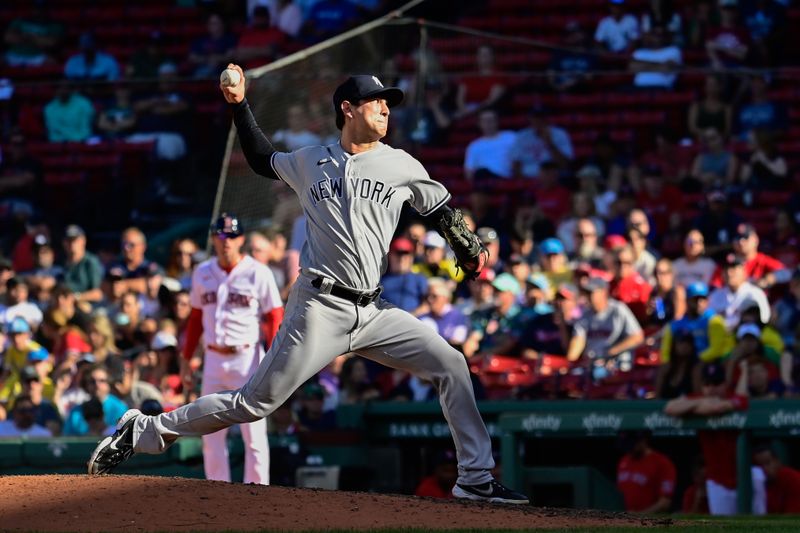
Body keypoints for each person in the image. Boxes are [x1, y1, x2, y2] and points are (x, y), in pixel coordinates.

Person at [88, 66, 528, 504]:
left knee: (451, 364)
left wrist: (467, 248)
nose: (385, 109)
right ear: (348, 108)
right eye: (376, 101)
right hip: (319, 306)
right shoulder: (309, 160)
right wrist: (240, 104)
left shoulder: (400, 163)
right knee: (253, 404)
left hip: (374, 312)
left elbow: (440, 209)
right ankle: (145, 428)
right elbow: (262, 159)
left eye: (388, 102)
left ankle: (474, 477)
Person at [177, 213, 284, 485]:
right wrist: (186, 357)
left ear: (242, 240)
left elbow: (274, 316)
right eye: (221, 235)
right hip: (213, 359)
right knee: (210, 434)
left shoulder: (258, 272)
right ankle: (217, 490)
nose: (226, 241)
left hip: (248, 358)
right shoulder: (202, 272)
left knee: (254, 435)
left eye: (232, 236)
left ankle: (257, 491)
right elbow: (195, 319)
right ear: (213, 238)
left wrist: (274, 358)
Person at [664, 361, 767, 515]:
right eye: (708, 384)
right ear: (702, 385)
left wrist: (696, 406)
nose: (712, 389)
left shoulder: (736, 397)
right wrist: (700, 402)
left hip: (745, 476)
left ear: (725, 384)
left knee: (756, 525)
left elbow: (719, 407)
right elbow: (670, 407)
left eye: (717, 383)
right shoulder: (698, 398)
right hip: (718, 481)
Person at [567, 277, 644, 376]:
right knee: (573, 377)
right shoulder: (585, 314)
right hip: (592, 365)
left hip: (615, 365)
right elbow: (578, 341)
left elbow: (637, 337)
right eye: (587, 292)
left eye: (592, 292)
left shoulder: (618, 310)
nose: (589, 296)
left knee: (598, 373)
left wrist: (612, 351)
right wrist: (568, 365)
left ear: (603, 292)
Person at [616, 430, 676, 513]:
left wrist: (638, 516)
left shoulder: (662, 463)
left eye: (632, 444)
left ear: (643, 440)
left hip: (651, 522)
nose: (629, 448)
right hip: (623, 521)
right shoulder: (623, 461)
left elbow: (665, 503)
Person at [509, 106, 574, 179]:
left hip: (552, 178)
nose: (538, 121)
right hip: (527, 178)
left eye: (541, 117)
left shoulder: (560, 134)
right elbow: (515, 163)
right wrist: (522, 182)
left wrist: (549, 143)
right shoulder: (522, 135)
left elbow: (564, 165)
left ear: (547, 119)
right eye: (535, 118)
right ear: (530, 119)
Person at [463, 110, 516, 181]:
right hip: (483, 181)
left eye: (491, 120)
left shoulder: (511, 137)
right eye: (485, 121)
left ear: (497, 121)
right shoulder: (474, 145)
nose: (488, 123)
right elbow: (469, 170)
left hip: (506, 179)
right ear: (479, 124)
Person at [629, 26, 682, 90]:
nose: (657, 38)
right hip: (638, 89)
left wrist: (642, 66)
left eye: (660, 35)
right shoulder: (640, 52)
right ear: (649, 36)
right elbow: (633, 67)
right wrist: (660, 65)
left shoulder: (673, 50)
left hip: (662, 89)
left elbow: (667, 68)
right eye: (654, 34)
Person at [752, 444, 800, 514]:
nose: (764, 468)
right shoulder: (756, 483)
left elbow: (793, 515)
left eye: (767, 463)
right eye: (759, 465)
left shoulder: (793, 478)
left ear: (777, 462)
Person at [688, 75, 732, 141]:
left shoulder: (727, 108)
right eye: (708, 85)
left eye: (714, 85)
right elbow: (692, 128)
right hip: (699, 141)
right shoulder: (696, 107)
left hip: (720, 143)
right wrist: (706, 133)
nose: (711, 88)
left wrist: (715, 137)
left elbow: (727, 131)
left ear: (720, 87)